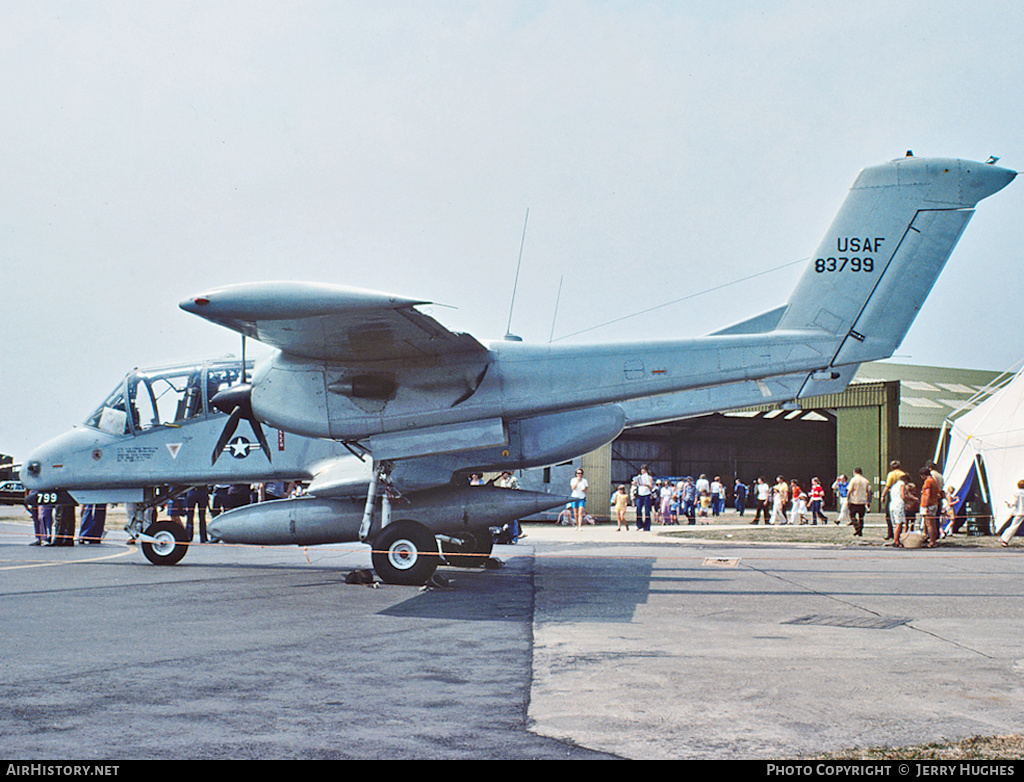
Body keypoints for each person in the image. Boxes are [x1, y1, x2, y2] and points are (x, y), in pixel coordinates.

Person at [495, 471, 524, 543]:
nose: (502, 475)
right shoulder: (502, 481)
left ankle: (514, 538)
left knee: (514, 520)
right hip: (505, 502)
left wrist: (509, 489)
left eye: (503, 474)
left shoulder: (513, 480)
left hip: (512, 501)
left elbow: (517, 489)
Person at [881, 461, 908, 541]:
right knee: (901, 517)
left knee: (889, 515)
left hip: (892, 495)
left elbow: (887, 486)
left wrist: (883, 495)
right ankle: (899, 533)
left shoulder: (891, 474)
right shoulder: (903, 474)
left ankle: (891, 533)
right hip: (900, 495)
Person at [919, 467, 941, 547]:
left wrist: (926, 505)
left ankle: (932, 541)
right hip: (934, 503)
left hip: (929, 504)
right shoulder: (934, 481)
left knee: (929, 523)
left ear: (923, 475)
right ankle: (933, 539)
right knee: (933, 523)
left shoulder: (928, 481)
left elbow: (927, 494)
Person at [847, 468, 871, 537]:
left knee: (852, 515)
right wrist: (868, 501)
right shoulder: (865, 481)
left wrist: (847, 499)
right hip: (862, 501)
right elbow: (868, 492)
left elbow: (850, 490)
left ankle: (857, 527)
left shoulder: (853, 480)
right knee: (861, 517)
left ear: (855, 472)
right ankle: (860, 531)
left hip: (854, 500)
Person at [999, 479, 1024, 546]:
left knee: (1013, 526)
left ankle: (1004, 538)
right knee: (1014, 526)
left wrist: (1009, 505)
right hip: (1022, 512)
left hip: (1019, 512)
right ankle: (1004, 539)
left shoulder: (1016, 493)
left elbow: (1014, 503)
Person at [889, 471, 908, 547]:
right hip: (899, 504)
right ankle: (896, 540)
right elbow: (903, 496)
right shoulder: (902, 484)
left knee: (896, 523)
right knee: (899, 523)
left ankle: (896, 539)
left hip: (892, 504)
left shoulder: (894, 486)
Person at [635, 465, 654, 532]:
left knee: (647, 511)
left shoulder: (649, 478)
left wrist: (647, 485)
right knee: (638, 510)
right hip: (640, 495)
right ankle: (639, 524)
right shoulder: (639, 477)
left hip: (646, 495)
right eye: (642, 470)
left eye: (644, 470)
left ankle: (647, 526)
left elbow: (651, 487)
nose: (642, 471)